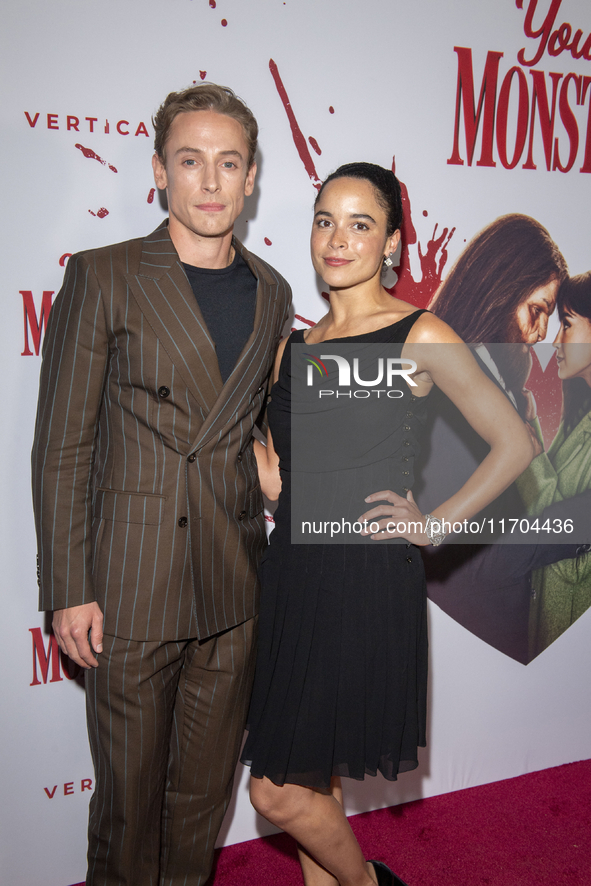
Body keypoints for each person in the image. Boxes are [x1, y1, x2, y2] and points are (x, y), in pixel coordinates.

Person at [241, 163, 534, 886]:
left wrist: (434, 525)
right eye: (324, 220)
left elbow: (515, 443)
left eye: (359, 223)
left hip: (365, 579)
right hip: (293, 575)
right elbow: (283, 478)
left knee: (273, 791)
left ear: (393, 243)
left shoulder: (418, 333)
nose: (337, 240)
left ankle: (372, 883)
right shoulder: (294, 347)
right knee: (313, 781)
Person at [31, 83, 291, 886]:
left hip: (231, 587)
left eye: (228, 163)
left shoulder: (273, 292)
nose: (210, 182)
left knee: (199, 804)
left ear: (250, 180)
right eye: (190, 161)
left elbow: (249, 426)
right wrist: (69, 588)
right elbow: (63, 445)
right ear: (158, 172)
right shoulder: (105, 275)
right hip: (130, 590)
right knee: (128, 807)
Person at [421, 214, 573, 663]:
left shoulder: (493, 387)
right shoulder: (447, 390)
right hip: (460, 644)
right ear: (500, 288)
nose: (542, 334)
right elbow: (469, 550)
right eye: (538, 311)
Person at [516, 272, 591, 657]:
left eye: (567, 323)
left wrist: (520, 441)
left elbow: (558, 520)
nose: (554, 339)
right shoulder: (578, 414)